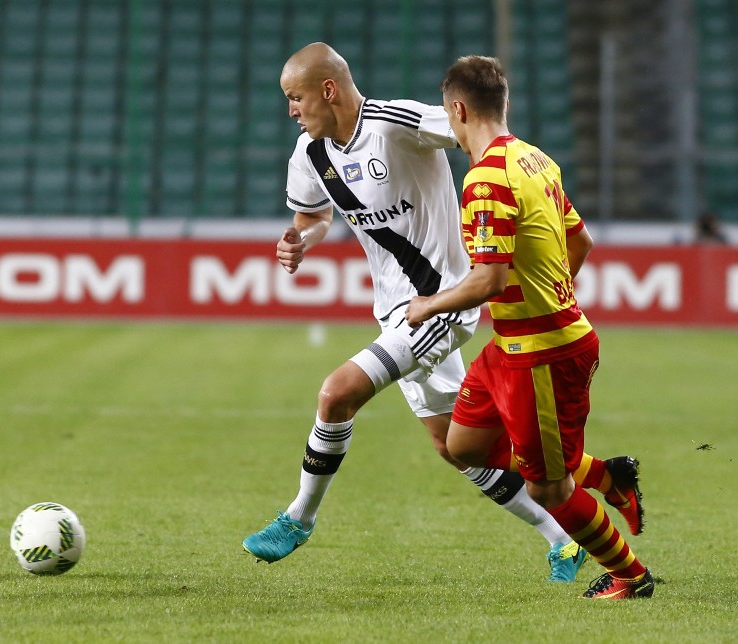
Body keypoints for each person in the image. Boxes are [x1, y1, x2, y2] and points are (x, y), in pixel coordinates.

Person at [242, 43, 641, 583]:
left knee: (337, 395)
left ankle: (298, 517)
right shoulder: (309, 154)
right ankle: (570, 526)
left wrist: (509, 186)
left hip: (444, 304)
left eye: (295, 97)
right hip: (397, 311)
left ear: (327, 90)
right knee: (458, 446)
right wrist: (302, 240)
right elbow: (312, 216)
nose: (291, 109)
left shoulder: (398, 123)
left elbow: (477, 127)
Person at [404, 55, 654, 600]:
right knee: (464, 444)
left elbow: (488, 281)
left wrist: (428, 305)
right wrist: (549, 291)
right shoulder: (536, 159)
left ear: (458, 109)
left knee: (548, 487)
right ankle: (610, 477)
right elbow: (581, 242)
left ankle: (631, 576)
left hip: (541, 354)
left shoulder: (486, 179)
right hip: (514, 345)